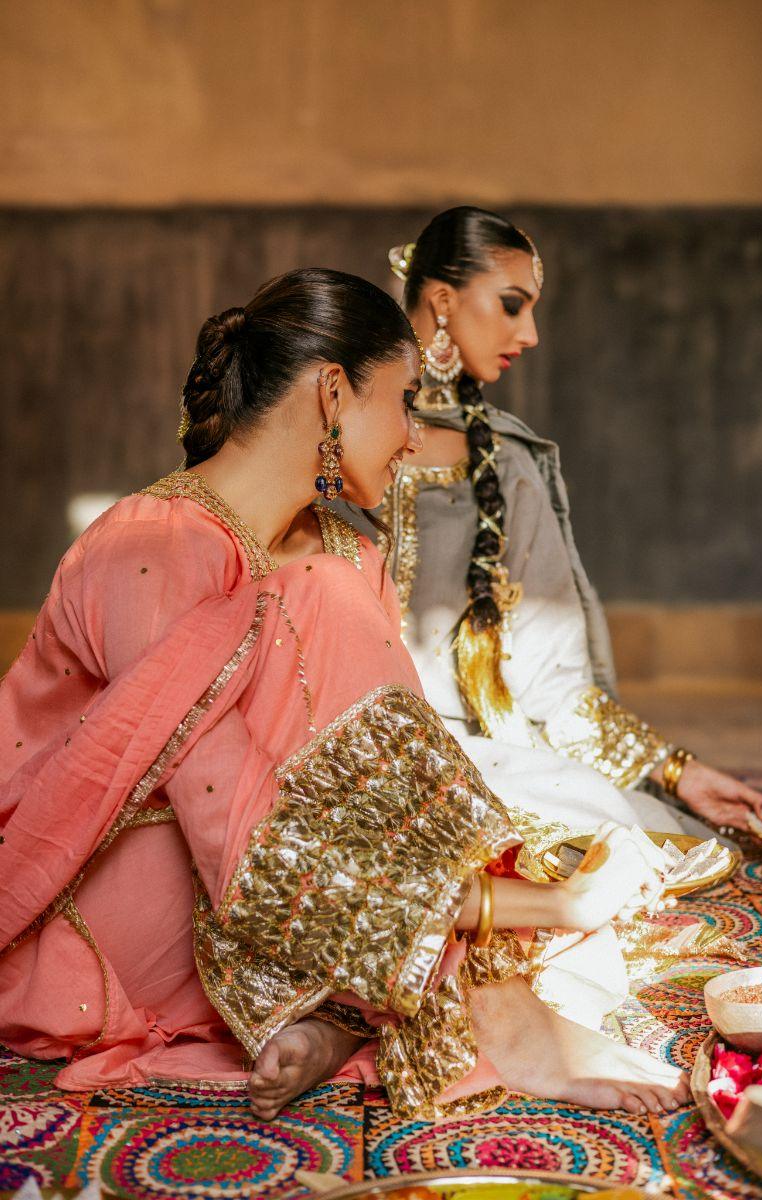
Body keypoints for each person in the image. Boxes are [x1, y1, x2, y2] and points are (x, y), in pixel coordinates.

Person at [0, 268, 689, 1123]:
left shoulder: (348, 550)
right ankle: (484, 1011)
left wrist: (500, 889)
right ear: (332, 394)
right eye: (404, 401)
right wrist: (524, 906)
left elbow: (379, 795)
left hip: (262, 887)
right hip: (101, 909)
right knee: (322, 604)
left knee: (510, 823)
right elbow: (232, 829)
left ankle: (337, 1016)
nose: (412, 436)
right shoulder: (150, 550)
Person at [348, 206, 762, 840]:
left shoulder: (508, 466)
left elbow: (553, 683)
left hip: (466, 757)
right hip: (329, 743)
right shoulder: (331, 437)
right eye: (512, 305)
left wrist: (677, 772)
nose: (531, 334)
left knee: (607, 833)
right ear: (443, 300)